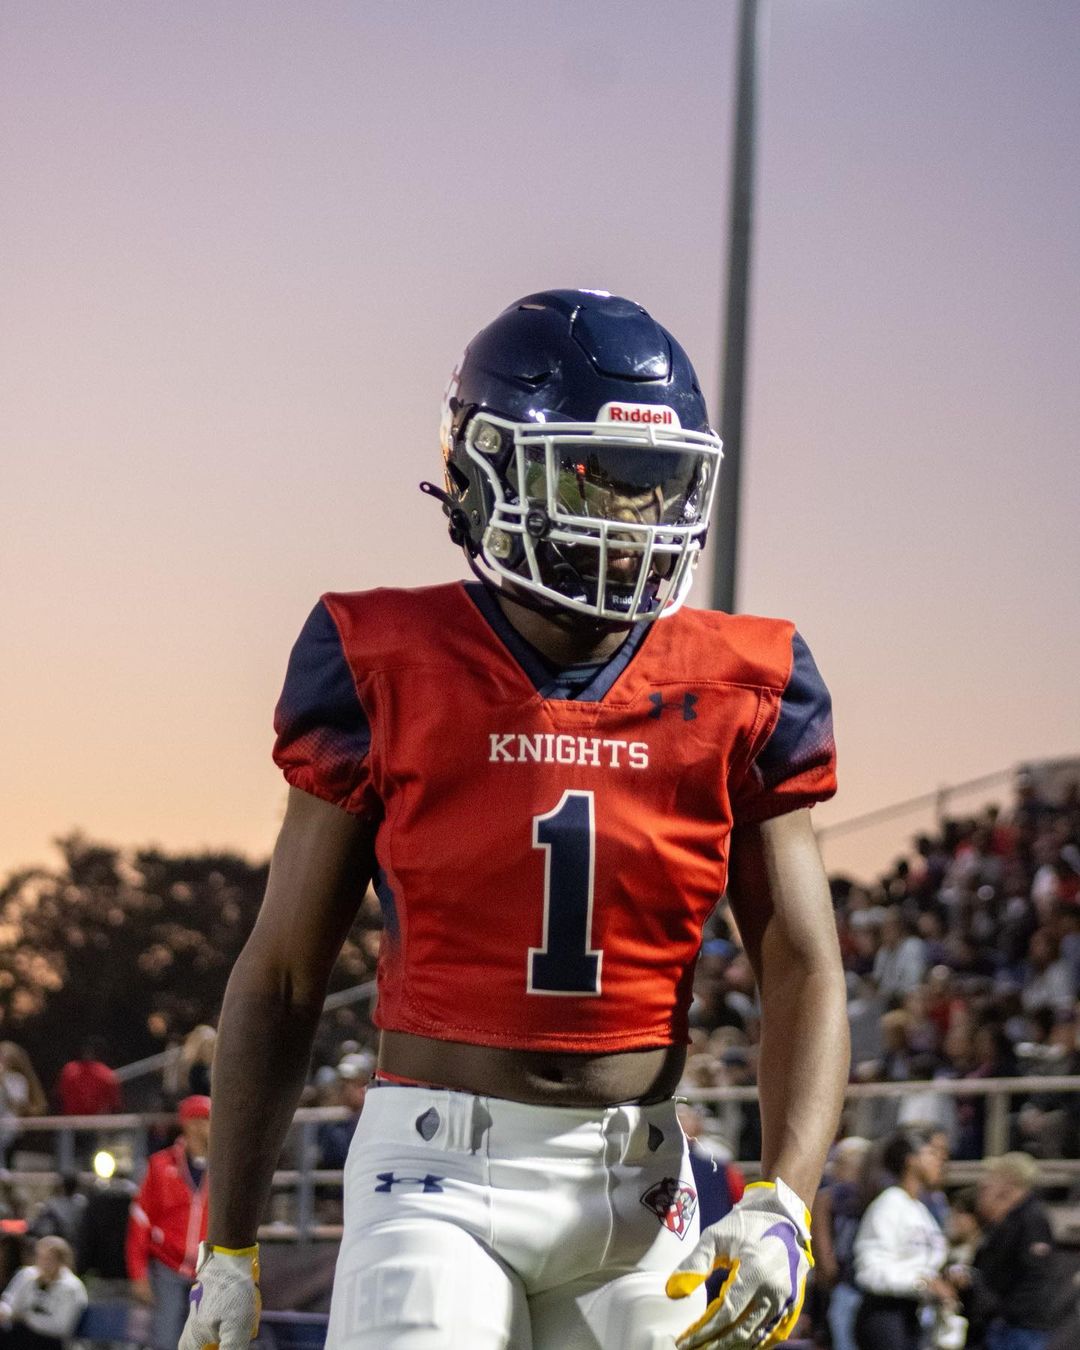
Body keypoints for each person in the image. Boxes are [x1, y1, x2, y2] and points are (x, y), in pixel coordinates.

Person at [179, 289, 850, 1350]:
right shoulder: (384, 656)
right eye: (594, 476)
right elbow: (286, 972)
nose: (629, 519)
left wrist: (785, 1202)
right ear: (482, 470)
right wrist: (230, 1244)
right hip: (434, 1173)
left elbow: (802, 962)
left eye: (652, 483)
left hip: (643, 1190)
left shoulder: (746, 678)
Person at [852, 1128, 953, 1350]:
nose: (942, 1161)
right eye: (933, 1153)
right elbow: (869, 1270)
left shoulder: (920, 1209)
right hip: (885, 1314)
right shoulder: (888, 1204)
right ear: (911, 1159)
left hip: (912, 1314)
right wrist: (921, 1283)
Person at [127, 1096, 210, 1350]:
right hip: (167, 1267)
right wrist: (138, 1274)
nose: (210, 1126)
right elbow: (140, 1220)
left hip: (208, 1271)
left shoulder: (225, 1168)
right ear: (189, 1124)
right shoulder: (160, 1164)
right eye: (204, 1120)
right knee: (164, 1341)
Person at [968, 1152, 1057, 1350]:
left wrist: (1001, 1310)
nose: (986, 1183)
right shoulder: (1010, 1219)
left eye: (994, 1177)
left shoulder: (1032, 1219)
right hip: (1008, 1324)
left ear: (1009, 1181)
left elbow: (1034, 1276)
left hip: (1020, 1327)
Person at [0, 1237, 87, 1350]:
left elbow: (61, 1327)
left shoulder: (71, 1287)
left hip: (52, 1340)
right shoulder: (27, 1276)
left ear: (61, 1261)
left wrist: (28, 1318)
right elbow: (10, 1302)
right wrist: (5, 1312)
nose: (44, 1263)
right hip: (22, 1333)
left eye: (49, 1259)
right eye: (40, 1257)